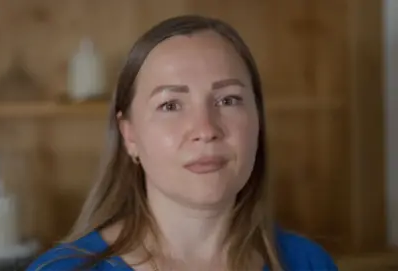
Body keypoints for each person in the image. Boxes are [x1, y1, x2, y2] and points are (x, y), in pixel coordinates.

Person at [26, 15, 338, 271]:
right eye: (170, 105)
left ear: (258, 120)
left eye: (228, 99)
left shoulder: (309, 263)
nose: (205, 129)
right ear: (129, 134)